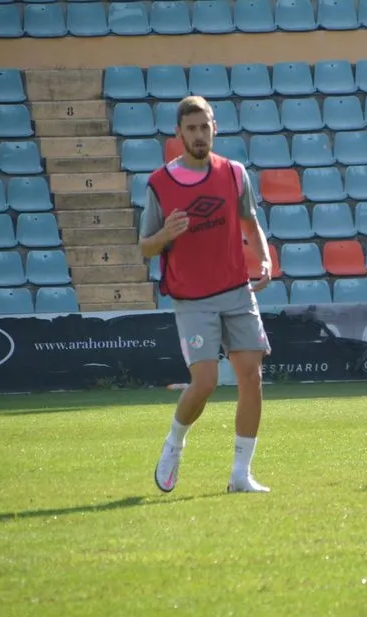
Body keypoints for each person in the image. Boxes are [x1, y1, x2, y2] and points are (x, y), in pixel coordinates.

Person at [139, 96, 274, 494]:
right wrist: (165, 234)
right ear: (178, 133)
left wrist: (265, 259)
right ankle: (174, 443)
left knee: (251, 376)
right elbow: (145, 246)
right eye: (191, 128)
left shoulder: (234, 173)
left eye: (204, 126)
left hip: (236, 290)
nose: (199, 134)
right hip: (192, 297)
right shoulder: (160, 183)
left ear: (215, 128)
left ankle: (240, 475)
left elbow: (250, 221)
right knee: (206, 382)